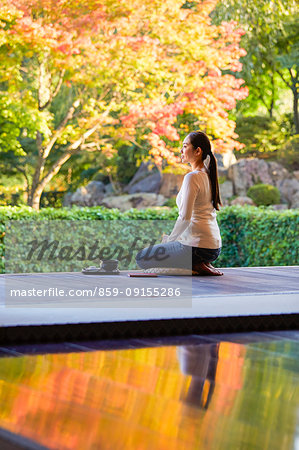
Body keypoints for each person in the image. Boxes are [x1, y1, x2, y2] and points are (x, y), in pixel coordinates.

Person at [136, 131, 223, 276]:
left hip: (196, 248)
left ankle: (194, 265)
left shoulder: (192, 177)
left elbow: (185, 218)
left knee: (142, 258)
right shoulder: (207, 175)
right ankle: (199, 264)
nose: (181, 150)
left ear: (197, 151)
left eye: (184, 146)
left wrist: (170, 240)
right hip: (213, 249)